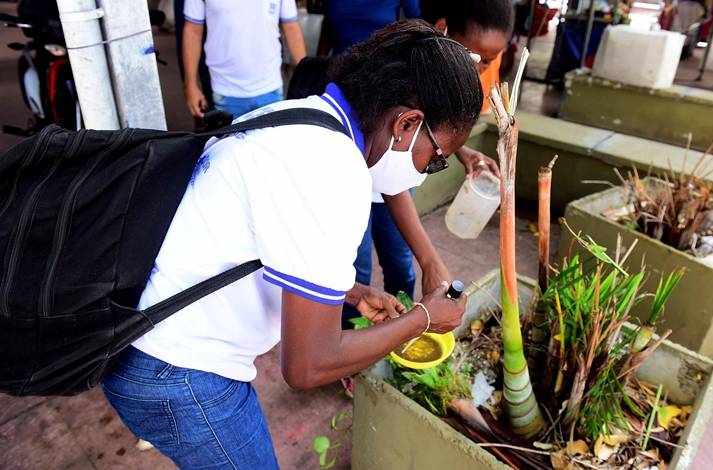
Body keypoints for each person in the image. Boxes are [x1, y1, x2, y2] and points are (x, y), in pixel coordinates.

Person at [102, 20, 480, 468]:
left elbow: (264, 239)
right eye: (435, 159)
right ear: (407, 124)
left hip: (136, 333)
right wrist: (422, 318)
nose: (425, 171)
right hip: (174, 367)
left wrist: (350, 291)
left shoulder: (304, 117)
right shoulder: (334, 173)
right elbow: (306, 366)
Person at [181, 0, 307, 119]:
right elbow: (193, 30)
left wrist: (308, 77)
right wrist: (190, 84)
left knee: (270, 141)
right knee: (227, 141)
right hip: (225, 90)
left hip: (270, 88)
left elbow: (291, 27)